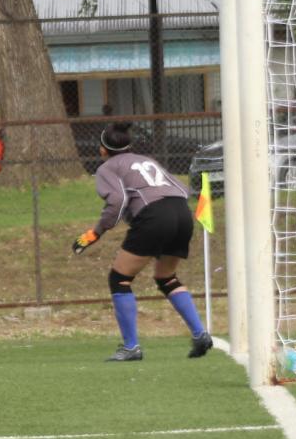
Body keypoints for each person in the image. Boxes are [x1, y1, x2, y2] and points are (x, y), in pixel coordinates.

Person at [71, 122, 212, 361]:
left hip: (155, 217)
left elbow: (117, 200)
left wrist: (95, 233)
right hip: (182, 213)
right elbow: (182, 188)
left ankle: (131, 347)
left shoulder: (107, 168)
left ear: (103, 149)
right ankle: (200, 334)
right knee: (166, 277)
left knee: (119, 279)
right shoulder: (146, 160)